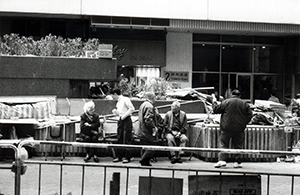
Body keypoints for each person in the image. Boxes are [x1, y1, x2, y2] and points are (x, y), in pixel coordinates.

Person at [212, 89, 253, 168]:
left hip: (226, 127)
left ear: (231, 94)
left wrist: (214, 101)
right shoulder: (244, 104)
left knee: (223, 144)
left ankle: (222, 160)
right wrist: (244, 123)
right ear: (240, 95)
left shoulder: (226, 102)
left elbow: (216, 109)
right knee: (238, 145)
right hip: (239, 128)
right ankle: (237, 162)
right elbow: (250, 115)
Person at [112, 88, 135, 163]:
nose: (112, 97)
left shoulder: (125, 99)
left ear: (115, 94)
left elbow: (132, 109)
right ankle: (119, 156)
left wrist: (123, 116)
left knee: (126, 138)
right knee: (119, 138)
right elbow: (120, 111)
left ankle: (127, 157)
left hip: (127, 120)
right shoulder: (118, 102)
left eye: (113, 95)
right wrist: (116, 112)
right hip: (121, 120)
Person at [137, 92, 159, 166]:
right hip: (147, 131)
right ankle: (143, 160)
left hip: (141, 129)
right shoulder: (149, 106)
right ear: (152, 98)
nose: (156, 99)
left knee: (144, 146)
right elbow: (148, 119)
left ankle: (145, 162)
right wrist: (154, 127)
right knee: (152, 146)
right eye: (155, 97)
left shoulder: (143, 105)